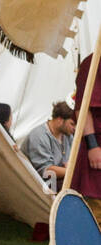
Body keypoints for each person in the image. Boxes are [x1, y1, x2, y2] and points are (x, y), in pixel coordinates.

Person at [70, 54, 101, 220]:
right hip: (97, 145)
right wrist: (93, 145)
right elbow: (82, 108)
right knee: (95, 206)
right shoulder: (92, 63)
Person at [21, 100, 75, 188]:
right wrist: (72, 171)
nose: (74, 128)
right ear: (60, 120)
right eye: (72, 124)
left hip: (58, 183)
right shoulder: (39, 136)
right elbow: (46, 171)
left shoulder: (67, 136)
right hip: (37, 187)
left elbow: (71, 161)